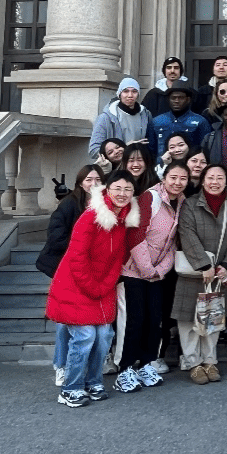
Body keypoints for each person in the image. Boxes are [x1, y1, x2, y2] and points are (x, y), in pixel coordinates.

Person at [44, 171, 148, 407]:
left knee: (104, 336)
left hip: (102, 287)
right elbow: (77, 257)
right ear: (107, 190)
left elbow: (118, 257)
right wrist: (94, 286)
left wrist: (106, 284)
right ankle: (70, 388)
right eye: (117, 188)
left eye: (128, 189)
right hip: (75, 285)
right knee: (85, 336)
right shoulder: (91, 216)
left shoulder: (124, 219)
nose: (122, 194)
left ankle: (93, 382)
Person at [115, 162, 186, 393]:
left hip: (156, 274)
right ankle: (124, 369)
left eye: (183, 178)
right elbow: (136, 235)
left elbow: (173, 242)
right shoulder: (150, 197)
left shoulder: (181, 202)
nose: (177, 182)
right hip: (133, 271)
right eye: (173, 177)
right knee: (133, 321)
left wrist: (161, 270)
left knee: (154, 321)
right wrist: (147, 270)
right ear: (164, 178)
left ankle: (145, 364)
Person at [36, 165, 102, 388]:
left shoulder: (104, 204)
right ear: (80, 182)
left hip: (90, 270)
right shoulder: (69, 203)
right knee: (65, 321)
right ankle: (61, 365)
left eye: (97, 179)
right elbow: (55, 236)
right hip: (66, 267)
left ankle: (82, 365)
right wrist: (81, 249)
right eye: (89, 179)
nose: (93, 183)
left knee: (85, 322)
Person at [89, 78, 152, 162]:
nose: (130, 95)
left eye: (134, 91)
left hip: (137, 165)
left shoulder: (146, 115)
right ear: (119, 94)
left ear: (138, 94)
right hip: (116, 167)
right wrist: (123, 148)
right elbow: (93, 150)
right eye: (126, 91)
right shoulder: (106, 118)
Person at [149, 86, 212, 160]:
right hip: (162, 164)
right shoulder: (156, 121)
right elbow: (151, 149)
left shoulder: (200, 121)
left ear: (188, 100)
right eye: (173, 98)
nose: (176, 101)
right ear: (168, 100)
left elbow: (205, 149)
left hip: (188, 165)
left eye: (181, 98)